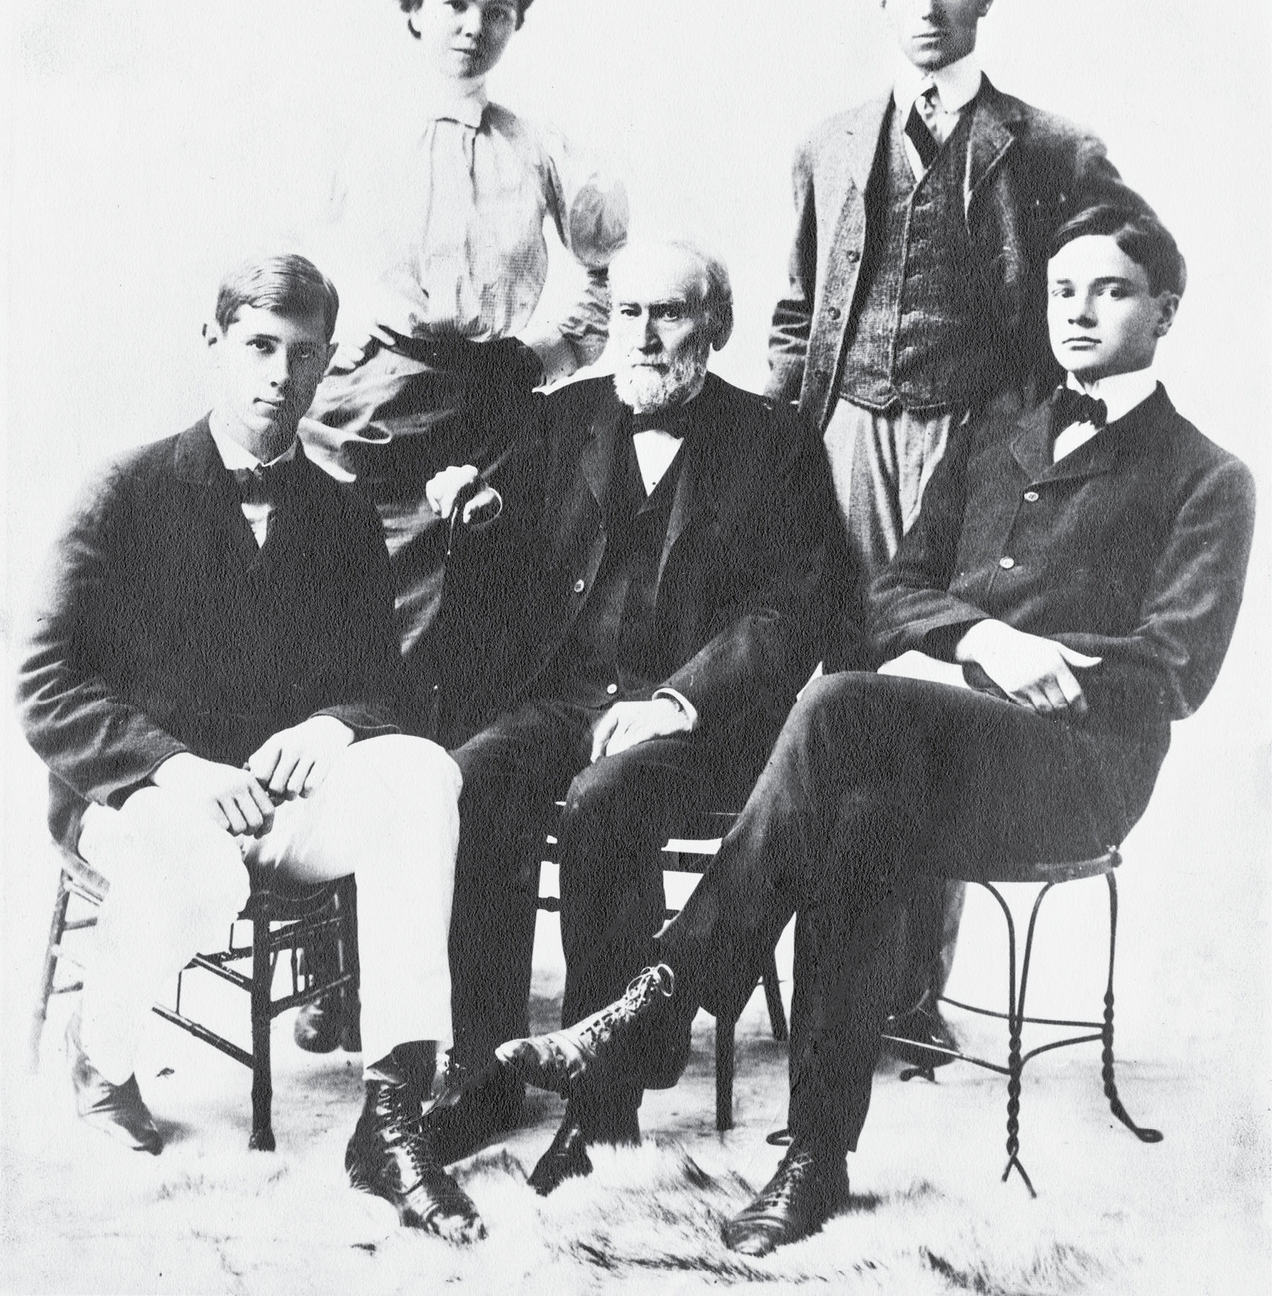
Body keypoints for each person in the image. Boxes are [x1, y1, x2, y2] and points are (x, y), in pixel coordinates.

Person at [496, 205, 1255, 1256]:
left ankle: (663, 999)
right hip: (947, 743)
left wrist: (1037, 660)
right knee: (860, 819)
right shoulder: (1003, 437)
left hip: (1078, 767)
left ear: (1166, 311)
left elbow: (1176, 669)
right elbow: (891, 594)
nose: (1079, 311)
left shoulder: (1210, 477)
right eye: (1063, 290)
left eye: (1111, 291)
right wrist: (986, 642)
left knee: (843, 699)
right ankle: (816, 1160)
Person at [17, 255, 484, 1244]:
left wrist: (331, 725)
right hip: (144, 796)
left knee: (422, 773)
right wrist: (175, 768)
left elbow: (383, 686)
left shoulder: (343, 513)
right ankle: (100, 1058)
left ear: (326, 368)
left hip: (279, 803)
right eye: (260, 347)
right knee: (196, 865)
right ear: (215, 347)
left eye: (303, 354)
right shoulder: (125, 489)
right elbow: (44, 681)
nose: (279, 374)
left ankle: (394, 1113)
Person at [766, 0, 1148, 1053]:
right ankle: (819, 985)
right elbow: (794, 318)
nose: (929, 9)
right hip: (839, 445)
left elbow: (1130, 278)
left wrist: (1051, 438)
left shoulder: (1050, 148)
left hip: (976, 448)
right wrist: (779, 454)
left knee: (940, 698)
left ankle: (908, 999)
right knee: (829, 683)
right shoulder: (829, 145)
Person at [429, 239, 840, 1192]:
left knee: (607, 801)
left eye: (671, 315)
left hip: (703, 726)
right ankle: (485, 1069)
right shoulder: (560, 419)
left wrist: (677, 700)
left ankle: (601, 1105)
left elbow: (793, 613)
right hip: (568, 699)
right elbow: (504, 580)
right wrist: (469, 520)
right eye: (629, 316)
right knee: (472, 781)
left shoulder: (775, 441)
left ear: (718, 329)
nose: (645, 337)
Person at [302, 0, 628, 694]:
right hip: (371, 405)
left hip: (490, 406)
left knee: (468, 614)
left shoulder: (539, 148)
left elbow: (606, 271)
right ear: (414, 9)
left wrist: (540, 358)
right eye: (454, 5)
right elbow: (299, 269)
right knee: (340, 602)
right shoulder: (358, 137)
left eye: (498, 12)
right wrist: (335, 354)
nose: (474, 28)